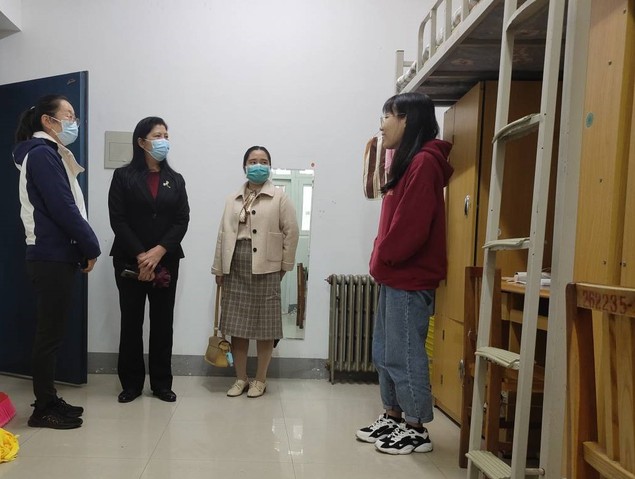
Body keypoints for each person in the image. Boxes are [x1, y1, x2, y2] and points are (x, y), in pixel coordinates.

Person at [356, 92, 453, 454]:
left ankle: (415, 427)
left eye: (388, 116)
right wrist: (380, 259)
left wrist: (384, 257)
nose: (382, 124)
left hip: (409, 276)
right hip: (394, 274)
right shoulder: (407, 162)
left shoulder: (424, 163)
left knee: (405, 353)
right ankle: (393, 415)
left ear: (407, 120)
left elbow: (412, 227)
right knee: (385, 350)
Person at [13, 94, 101, 429]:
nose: (74, 122)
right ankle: (42, 409)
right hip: (50, 256)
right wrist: (91, 246)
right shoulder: (41, 154)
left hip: (57, 255)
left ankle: (49, 399)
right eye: (69, 115)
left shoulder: (48, 153)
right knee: (49, 335)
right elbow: (63, 207)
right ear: (48, 121)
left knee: (53, 332)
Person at [108, 117, 190, 404]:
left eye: (166, 135)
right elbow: (117, 219)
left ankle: (161, 383)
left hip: (166, 260)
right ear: (141, 142)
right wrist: (142, 255)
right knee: (131, 322)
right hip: (129, 260)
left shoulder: (176, 180)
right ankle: (131, 384)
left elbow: (182, 220)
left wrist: (158, 251)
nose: (163, 140)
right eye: (157, 135)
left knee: (162, 323)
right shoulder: (123, 176)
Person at [212, 146, 299, 398]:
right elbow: (222, 234)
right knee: (237, 326)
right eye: (252, 161)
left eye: (263, 161)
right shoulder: (233, 198)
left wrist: (284, 266)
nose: (257, 165)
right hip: (235, 264)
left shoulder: (279, 197)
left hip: (266, 265)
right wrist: (219, 268)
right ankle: (241, 378)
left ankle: (260, 380)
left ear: (269, 166)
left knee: (265, 327)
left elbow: (291, 233)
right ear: (244, 166)